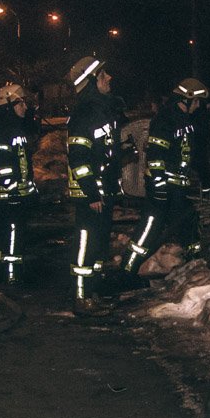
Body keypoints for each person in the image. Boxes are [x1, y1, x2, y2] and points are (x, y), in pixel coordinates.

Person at [121, 78, 210, 277]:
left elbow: (193, 154)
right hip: (161, 189)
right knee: (149, 231)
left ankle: (196, 270)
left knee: (189, 227)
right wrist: (158, 185)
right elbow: (155, 155)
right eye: (196, 101)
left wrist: (207, 184)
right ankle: (126, 271)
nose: (198, 106)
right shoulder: (166, 119)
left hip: (178, 188)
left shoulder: (187, 120)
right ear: (186, 99)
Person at [65, 56, 125, 315]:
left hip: (103, 192)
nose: (109, 78)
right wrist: (91, 192)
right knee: (86, 246)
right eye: (103, 75)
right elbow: (78, 158)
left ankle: (95, 293)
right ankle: (82, 298)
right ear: (91, 82)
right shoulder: (85, 113)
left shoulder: (101, 110)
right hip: (91, 194)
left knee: (99, 246)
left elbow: (102, 152)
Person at [0, 83, 39, 283]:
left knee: (8, 232)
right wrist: (13, 188)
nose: (24, 108)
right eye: (21, 103)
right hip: (9, 195)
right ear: (9, 104)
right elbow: (4, 165)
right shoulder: (4, 129)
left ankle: (5, 269)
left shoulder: (15, 127)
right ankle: (11, 274)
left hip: (16, 193)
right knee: (12, 232)